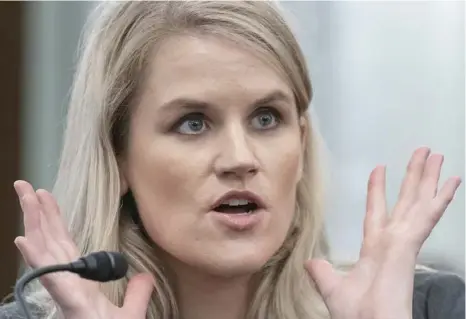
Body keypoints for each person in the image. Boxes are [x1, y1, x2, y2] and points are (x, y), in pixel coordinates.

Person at [1, 1, 464, 319]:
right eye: (193, 123)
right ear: (117, 156)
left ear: (301, 146)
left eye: (266, 118)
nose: (240, 160)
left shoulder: (424, 308)